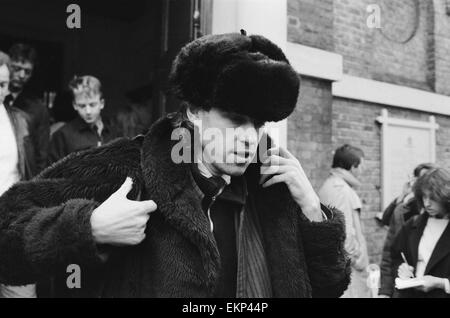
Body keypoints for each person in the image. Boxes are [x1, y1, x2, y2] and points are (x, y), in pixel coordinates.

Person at [0, 32, 350, 298]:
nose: (249, 138)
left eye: (259, 125)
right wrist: (88, 227)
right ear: (195, 111)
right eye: (235, 119)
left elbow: (330, 286)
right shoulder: (131, 167)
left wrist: (312, 210)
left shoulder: (273, 185)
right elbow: (6, 234)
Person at [0, 51, 37, 297]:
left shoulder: (20, 121)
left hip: (11, 223)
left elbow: (31, 173)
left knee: (20, 293)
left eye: (2, 84)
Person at [318, 144, 370, 298]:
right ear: (353, 167)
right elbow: (344, 234)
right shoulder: (340, 190)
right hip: (349, 273)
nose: (363, 171)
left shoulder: (332, 185)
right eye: (362, 165)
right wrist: (359, 261)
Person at [378, 163, 436, 297]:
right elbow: (389, 255)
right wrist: (385, 291)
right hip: (406, 288)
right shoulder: (403, 211)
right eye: (420, 179)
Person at [391, 168, 450, 298]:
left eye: (433, 198)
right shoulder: (413, 224)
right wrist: (401, 270)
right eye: (424, 196)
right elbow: (396, 256)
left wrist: (441, 283)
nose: (427, 203)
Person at [48, 75, 118, 163]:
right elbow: (52, 174)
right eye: (82, 106)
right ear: (75, 105)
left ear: (102, 103)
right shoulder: (63, 135)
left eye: (92, 105)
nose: (88, 111)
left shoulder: (114, 132)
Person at [4, 43, 50, 173]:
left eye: (27, 71)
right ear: (7, 66)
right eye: (16, 68)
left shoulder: (38, 109)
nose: (22, 75)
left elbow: (42, 157)